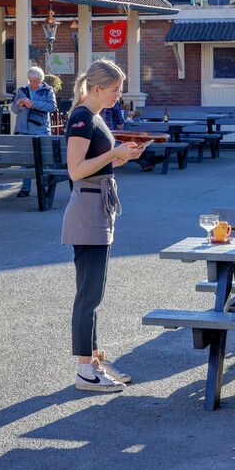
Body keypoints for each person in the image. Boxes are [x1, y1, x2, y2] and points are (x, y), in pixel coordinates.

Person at [61, 59, 150, 393]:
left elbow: (96, 165)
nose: (119, 94)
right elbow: (76, 170)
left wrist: (123, 155)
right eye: (115, 89)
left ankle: (94, 359)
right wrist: (114, 153)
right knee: (89, 293)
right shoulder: (83, 118)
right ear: (96, 88)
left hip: (97, 204)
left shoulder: (94, 116)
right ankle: (85, 370)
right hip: (87, 206)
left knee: (93, 291)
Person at [13, 66, 58, 198]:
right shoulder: (22, 90)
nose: (32, 84)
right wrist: (20, 104)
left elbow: (52, 107)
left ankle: (43, 186)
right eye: (31, 80)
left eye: (35, 81)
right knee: (25, 161)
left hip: (40, 129)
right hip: (23, 129)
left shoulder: (47, 91)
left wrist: (33, 104)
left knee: (43, 160)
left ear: (40, 80)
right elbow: (14, 109)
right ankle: (25, 189)